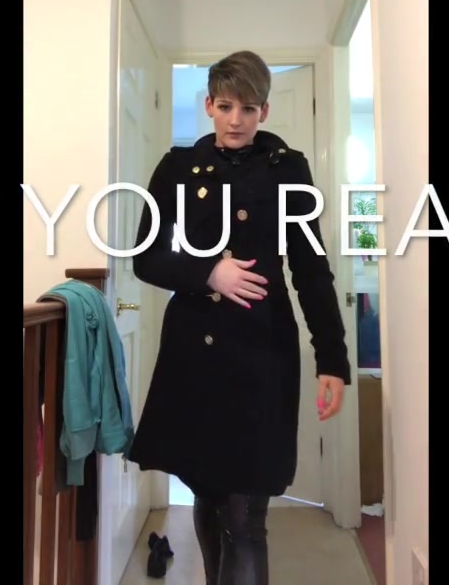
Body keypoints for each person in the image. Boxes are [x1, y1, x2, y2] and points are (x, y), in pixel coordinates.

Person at [126, 51, 351, 585]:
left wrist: (332, 359)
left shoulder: (288, 168)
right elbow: (145, 257)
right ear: (209, 104)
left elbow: (311, 267)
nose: (235, 120)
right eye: (226, 106)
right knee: (207, 494)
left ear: (264, 111)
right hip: (194, 352)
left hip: (262, 353)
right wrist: (208, 272)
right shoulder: (177, 167)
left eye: (248, 108)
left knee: (246, 515)